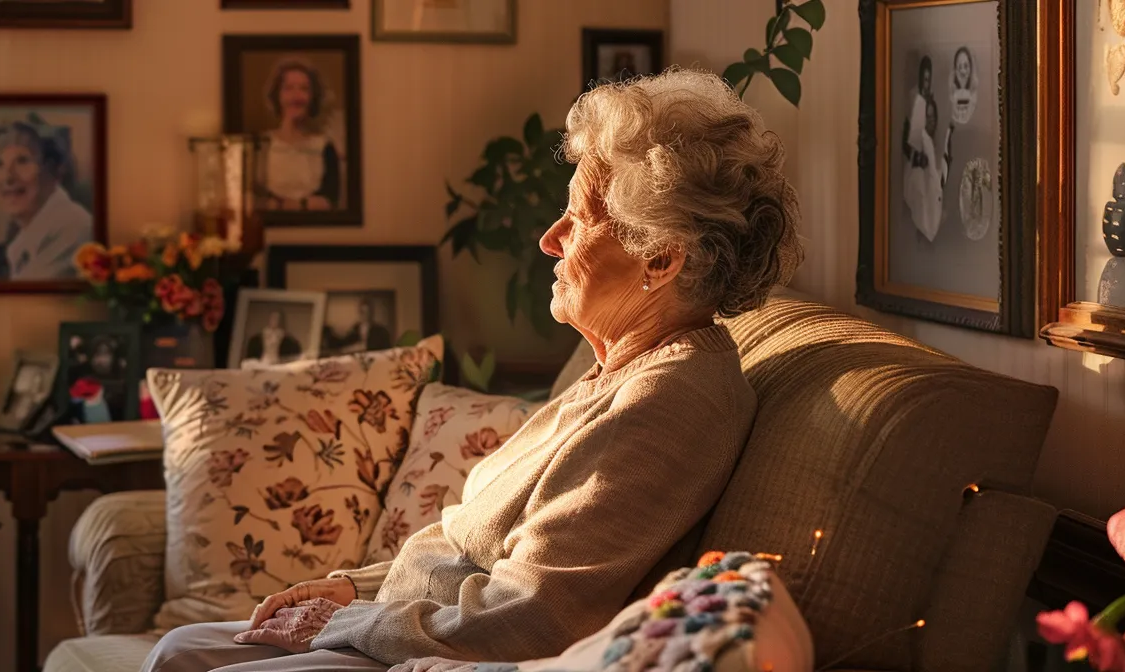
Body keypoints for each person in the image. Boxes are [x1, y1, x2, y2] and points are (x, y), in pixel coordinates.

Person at [140, 68, 803, 671]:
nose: (549, 238)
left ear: (660, 259)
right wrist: (352, 586)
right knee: (177, 649)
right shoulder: (620, 367)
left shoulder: (669, 401)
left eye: (577, 219)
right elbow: (466, 552)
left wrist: (346, 620)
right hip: (410, 628)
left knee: (180, 663)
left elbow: (530, 617)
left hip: (447, 655)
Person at [0, 114, 94, 282]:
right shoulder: (28, 236)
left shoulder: (72, 229)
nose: (7, 177)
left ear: (55, 170)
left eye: (22, 161)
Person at [259, 59, 341, 212]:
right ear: (277, 96)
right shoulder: (260, 145)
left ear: (313, 97)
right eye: (288, 88)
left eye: (304, 89)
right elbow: (255, 200)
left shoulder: (325, 147)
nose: (296, 96)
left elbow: (329, 201)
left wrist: (284, 205)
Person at [902, 55, 954, 242]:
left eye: (929, 79)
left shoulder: (934, 147)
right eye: (924, 79)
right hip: (920, 214)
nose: (931, 121)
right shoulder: (917, 133)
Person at [325, 298, 392, 354]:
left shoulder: (380, 331)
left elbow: (381, 348)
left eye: (368, 312)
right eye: (363, 312)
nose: (366, 315)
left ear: (372, 313)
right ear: (360, 312)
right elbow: (345, 342)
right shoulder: (356, 328)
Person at [949, 46, 976, 125]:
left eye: (966, 66)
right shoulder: (953, 97)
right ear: (955, 70)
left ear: (970, 68)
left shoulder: (974, 97)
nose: (963, 71)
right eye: (959, 67)